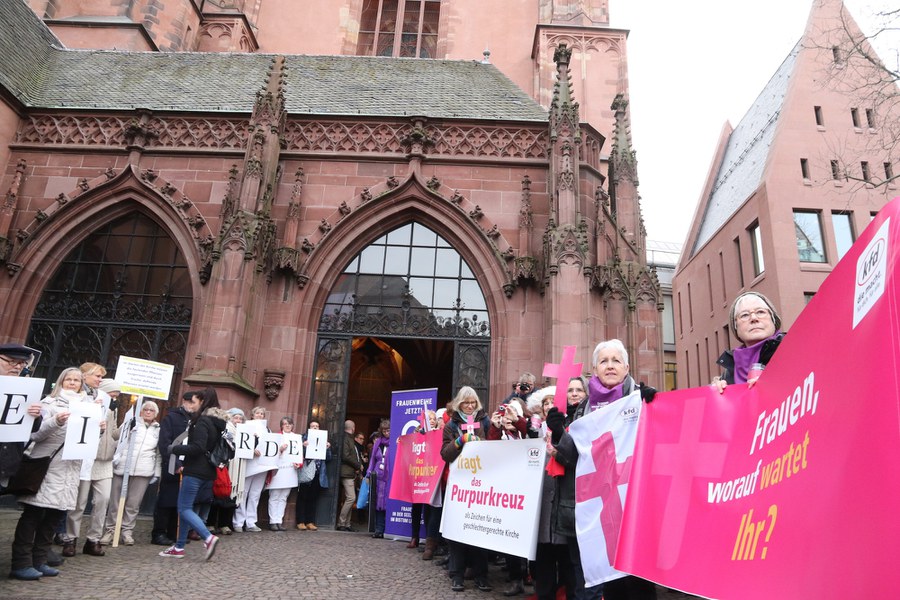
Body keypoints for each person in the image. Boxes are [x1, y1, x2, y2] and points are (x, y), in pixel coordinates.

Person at [548, 340, 656, 600]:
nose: (610, 366)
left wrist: (654, 408)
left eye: (616, 360)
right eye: (604, 361)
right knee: (611, 580)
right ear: (594, 369)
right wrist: (560, 432)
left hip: (635, 503)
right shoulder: (584, 408)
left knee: (639, 578)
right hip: (602, 510)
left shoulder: (642, 397)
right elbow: (573, 456)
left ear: (627, 366)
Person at [9, 368, 95, 580]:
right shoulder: (48, 403)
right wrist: (55, 421)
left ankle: (40, 560)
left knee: (54, 518)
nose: (72, 383)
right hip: (47, 467)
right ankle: (20, 563)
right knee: (33, 516)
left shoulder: (89, 408)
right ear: (61, 381)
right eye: (68, 379)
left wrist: (98, 429)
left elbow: (87, 441)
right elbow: (34, 435)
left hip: (70, 471)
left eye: (76, 380)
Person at [158, 387, 225, 560]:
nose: (191, 405)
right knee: (186, 508)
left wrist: (175, 448)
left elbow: (198, 447)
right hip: (208, 471)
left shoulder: (202, 421)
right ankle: (179, 547)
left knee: (184, 508)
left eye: (194, 402)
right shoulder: (216, 421)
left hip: (195, 470)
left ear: (202, 402)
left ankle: (208, 537)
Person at [440, 386, 492, 593]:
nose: (470, 406)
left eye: (473, 403)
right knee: (457, 530)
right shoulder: (451, 424)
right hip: (459, 484)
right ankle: (457, 575)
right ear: (459, 404)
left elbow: (494, 444)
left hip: (480, 481)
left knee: (479, 529)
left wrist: (484, 441)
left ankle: (481, 575)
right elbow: (445, 453)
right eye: (465, 403)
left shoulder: (485, 421)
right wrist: (459, 441)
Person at [526, 385, 575, 600]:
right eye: (546, 403)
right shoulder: (535, 428)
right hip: (542, 500)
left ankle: (565, 593)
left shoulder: (570, 426)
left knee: (566, 558)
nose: (549, 406)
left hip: (563, 499)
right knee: (544, 555)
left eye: (553, 402)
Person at [63, 376, 120, 557]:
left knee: (102, 501)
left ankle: (93, 539)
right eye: (112, 394)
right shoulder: (89, 404)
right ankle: (70, 538)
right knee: (78, 503)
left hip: (105, 462)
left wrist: (128, 425)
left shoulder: (112, 410)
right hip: (88, 460)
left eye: (117, 395)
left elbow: (113, 433)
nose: (115, 398)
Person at [101, 400, 161, 546]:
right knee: (115, 502)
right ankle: (110, 531)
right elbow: (116, 437)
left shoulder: (158, 430)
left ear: (155, 414)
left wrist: (156, 473)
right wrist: (127, 427)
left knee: (133, 504)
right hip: (122, 468)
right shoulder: (132, 423)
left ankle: (127, 532)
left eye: (151, 410)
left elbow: (158, 453)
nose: (147, 412)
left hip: (143, 471)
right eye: (145, 409)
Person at [713, 292, 785, 392]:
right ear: (735, 327)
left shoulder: (792, 347)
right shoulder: (729, 373)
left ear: (773, 319)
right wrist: (719, 395)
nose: (754, 318)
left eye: (760, 312)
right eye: (745, 315)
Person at [0, 343, 43, 494]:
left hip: (5, 461)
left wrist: (35, 416)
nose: (18, 367)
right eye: (12, 361)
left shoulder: (25, 389)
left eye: (22, 363)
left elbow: (33, 429)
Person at [150, 390, 192, 546]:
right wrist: (175, 464)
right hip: (171, 465)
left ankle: (174, 532)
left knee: (180, 502)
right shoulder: (171, 417)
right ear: (186, 402)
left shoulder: (195, 420)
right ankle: (159, 533)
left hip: (187, 466)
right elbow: (165, 442)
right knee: (166, 501)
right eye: (193, 403)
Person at [233, 406, 272, 533]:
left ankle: (251, 522)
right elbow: (241, 443)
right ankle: (238, 522)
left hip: (262, 465)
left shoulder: (268, 429)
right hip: (249, 463)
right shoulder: (246, 426)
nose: (260, 415)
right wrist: (251, 449)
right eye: (257, 413)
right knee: (243, 493)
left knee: (255, 494)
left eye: (262, 413)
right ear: (252, 415)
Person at [207, 407, 244, 536]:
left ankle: (224, 523)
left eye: (240, 418)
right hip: (221, 464)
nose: (238, 420)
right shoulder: (225, 429)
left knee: (228, 496)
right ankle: (211, 523)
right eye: (235, 417)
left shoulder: (243, 432)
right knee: (216, 493)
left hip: (235, 465)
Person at [295, 420, 331, 530]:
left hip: (318, 473)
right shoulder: (303, 438)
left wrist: (328, 448)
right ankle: (300, 521)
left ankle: (310, 521)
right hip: (306, 471)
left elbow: (329, 458)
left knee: (313, 497)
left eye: (317, 426)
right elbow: (297, 453)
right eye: (313, 426)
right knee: (302, 496)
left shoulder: (324, 439)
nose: (315, 428)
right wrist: (303, 446)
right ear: (309, 428)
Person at [266, 416, 299, 531]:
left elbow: (299, 455)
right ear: (282, 426)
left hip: (290, 470)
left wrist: (298, 464)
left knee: (284, 497)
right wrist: (279, 450)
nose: (288, 426)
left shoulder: (296, 438)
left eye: (289, 424)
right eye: (285, 424)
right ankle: (272, 521)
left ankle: (279, 520)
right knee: (274, 496)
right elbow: (270, 453)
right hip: (279, 470)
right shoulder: (277, 437)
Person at [365, 418, 391, 539]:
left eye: (388, 430)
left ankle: (389, 529)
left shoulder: (396, 442)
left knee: (387, 503)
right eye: (384, 431)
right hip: (378, 476)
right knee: (378, 504)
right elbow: (372, 459)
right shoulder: (378, 442)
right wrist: (369, 474)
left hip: (389, 476)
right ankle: (379, 529)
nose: (387, 433)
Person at [336, 419, 361, 532]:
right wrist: (358, 465)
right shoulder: (347, 439)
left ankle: (347, 524)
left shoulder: (349, 439)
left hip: (350, 472)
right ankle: (341, 522)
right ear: (353, 428)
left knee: (349, 498)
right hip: (346, 473)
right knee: (351, 498)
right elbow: (345, 456)